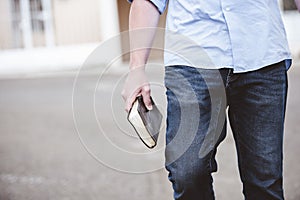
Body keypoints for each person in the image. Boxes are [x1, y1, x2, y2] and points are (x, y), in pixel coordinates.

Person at [122, 0, 292, 199]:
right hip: (191, 59)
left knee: (265, 181)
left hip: (262, 53)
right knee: (187, 171)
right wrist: (136, 69)